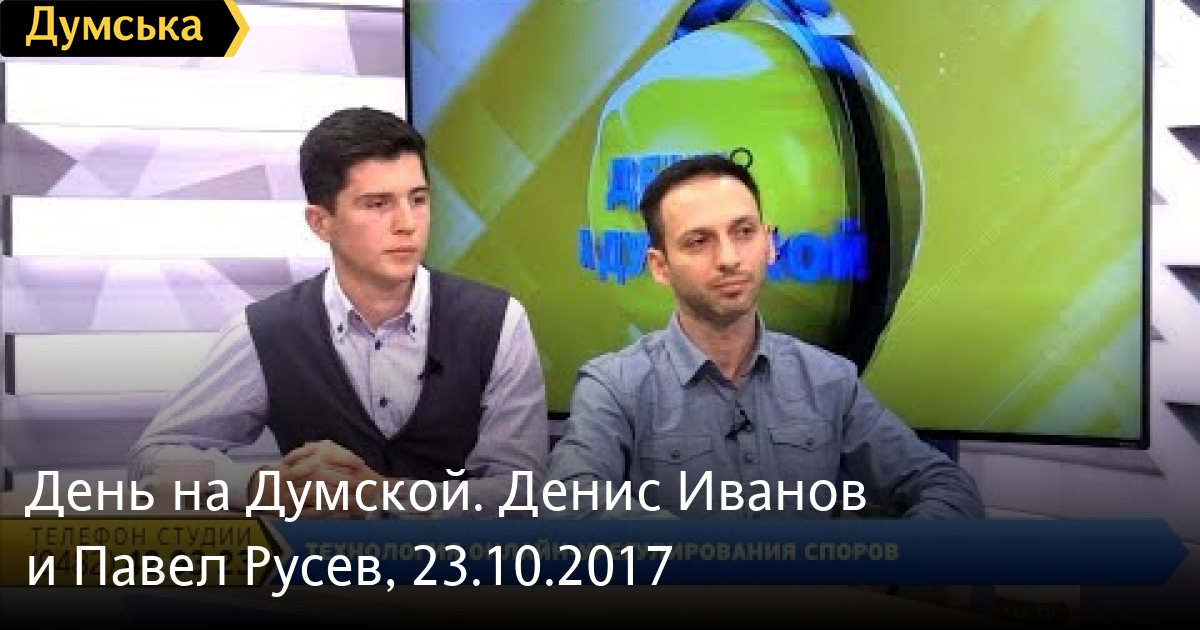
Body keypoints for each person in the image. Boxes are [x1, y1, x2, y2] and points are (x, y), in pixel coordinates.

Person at [129, 107, 548, 517]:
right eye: (377, 204)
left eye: (418, 199)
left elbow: (521, 493)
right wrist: (257, 486)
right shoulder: (267, 331)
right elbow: (152, 459)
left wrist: (383, 494)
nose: (407, 223)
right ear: (320, 222)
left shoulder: (498, 322)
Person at [548, 153, 983, 518]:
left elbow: (945, 485)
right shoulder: (614, 386)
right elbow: (570, 504)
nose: (729, 258)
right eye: (699, 241)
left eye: (744, 232)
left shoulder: (829, 380)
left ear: (770, 243)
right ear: (660, 267)